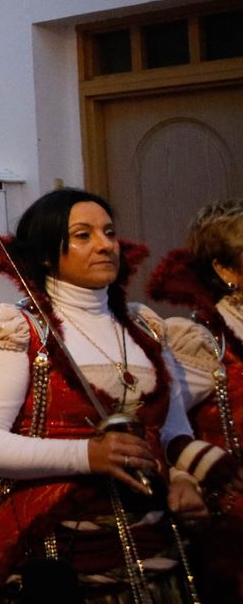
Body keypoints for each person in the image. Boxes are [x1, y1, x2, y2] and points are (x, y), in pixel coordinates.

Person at [0, 188, 220, 603]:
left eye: (109, 232)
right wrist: (88, 456)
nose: (105, 244)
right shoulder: (19, 329)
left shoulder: (145, 328)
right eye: (83, 235)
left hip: (155, 548)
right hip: (57, 550)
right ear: (45, 254)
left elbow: (170, 433)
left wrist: (184, 480)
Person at [150, 197, 243, 600]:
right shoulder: (203, 342)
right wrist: (184, 480)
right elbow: (164, 425)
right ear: (225, 270)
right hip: (232, 533)